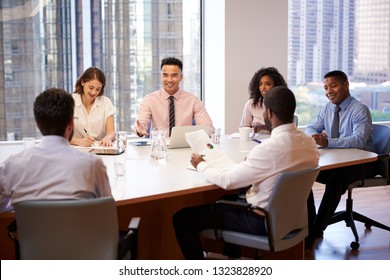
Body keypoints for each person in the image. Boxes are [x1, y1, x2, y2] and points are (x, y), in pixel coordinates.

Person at [172, 86, 319, 259]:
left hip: (261, 221)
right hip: (291, 220)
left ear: (269, 113)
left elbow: (228, 181)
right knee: (226, 201)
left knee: (182, 218)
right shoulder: (309, 144)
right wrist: (252, 164)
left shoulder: (269, 148)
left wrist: (201, 165)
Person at [0, 88, 112, 213]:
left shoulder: (12, 165)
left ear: (38, 123)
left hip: (33, 232)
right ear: (71, 123)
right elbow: (106, 209)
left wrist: (20, 203)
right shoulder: (93, 164)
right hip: (81, 232)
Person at [304, 70, 376, 248]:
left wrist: (327, 141)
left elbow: (358, 140)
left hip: (364, 162)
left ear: (346, 85)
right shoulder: (328, 108)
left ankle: (315, 231)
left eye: (333, 85)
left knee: (336, 181)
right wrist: (315, 136)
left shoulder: (360, 110)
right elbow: (311, 127)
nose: (328, 91)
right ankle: (311, 223)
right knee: (304, 174)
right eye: (326, 87)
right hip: (339, 160)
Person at [134, 57, 213, 137]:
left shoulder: (193, 100)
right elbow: (141, 122)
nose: (169, 80)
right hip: (160, 146)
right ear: (161, 76)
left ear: (181, 77)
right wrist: (140, 130)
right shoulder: (149, 100)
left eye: (174, 75)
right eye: (165, 75)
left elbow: (208, 127)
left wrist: (195, 135)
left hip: (184, 146)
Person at [71, 66, 116, 147]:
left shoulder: (105, 102)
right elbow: (60, 136)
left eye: (98, 89)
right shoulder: (70, 102)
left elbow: (111, 132)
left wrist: (108, 137)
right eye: (91, 87)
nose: (93, 92)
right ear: (82, 82)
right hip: (77, 150)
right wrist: (79, 142)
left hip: (100, 150)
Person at [240, 67, 287, 133]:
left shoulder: (282, 104)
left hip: (275, 141)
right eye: (260, 84)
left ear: (276, 85)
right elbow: (244, 128)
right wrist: (253, 130)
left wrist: (264, 127)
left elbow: (284, 129)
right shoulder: (251, 104)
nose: (263, 88)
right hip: (255, 142)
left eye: (268, 84)